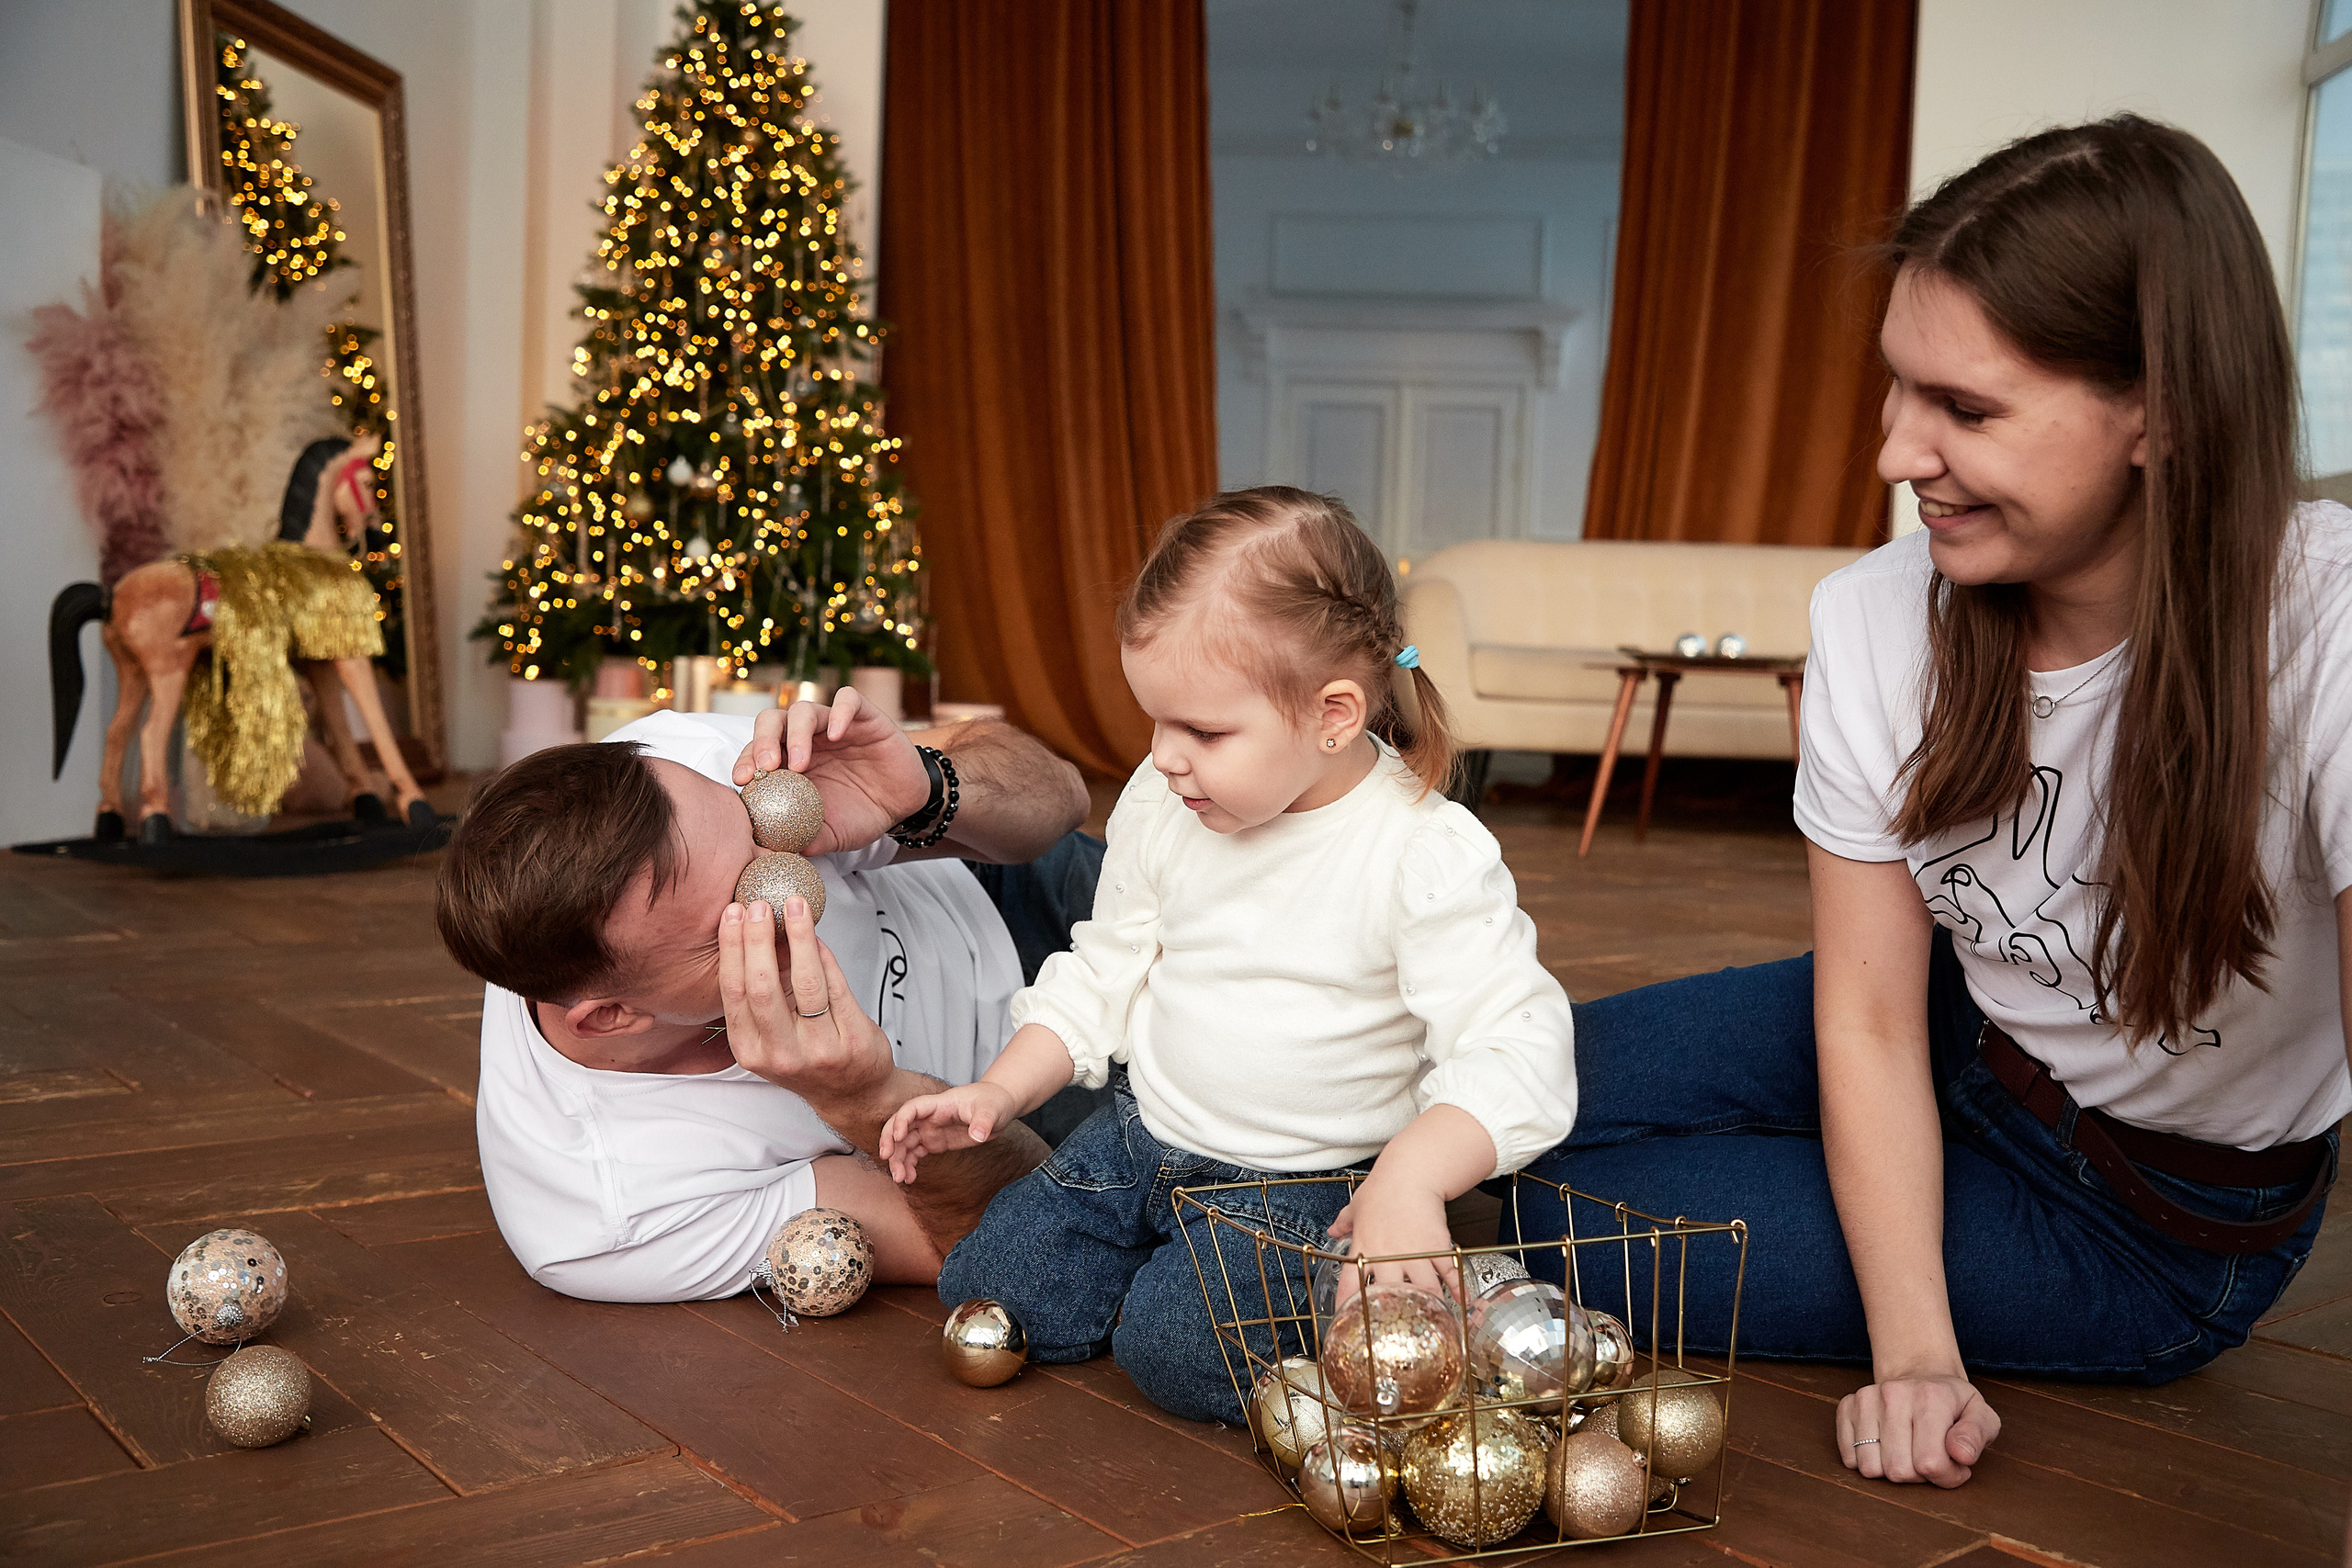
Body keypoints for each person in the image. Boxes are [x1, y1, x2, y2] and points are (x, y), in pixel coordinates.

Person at [1509, 114, 2349, 1491]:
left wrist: (1923, 1362)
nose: (1896, 453)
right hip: (1951, 1033)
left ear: (2164, 411)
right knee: (1503, 1085)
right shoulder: (1879, 612)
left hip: (2150, 1223)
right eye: (1898, 389)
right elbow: (1869, 1010)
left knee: (1550, 1215)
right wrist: (1912, 1343)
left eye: (1965, 409)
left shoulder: (2328, 621)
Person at [880, 488, 1577, 1423]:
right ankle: (1177, 1266)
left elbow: (1517, 1046)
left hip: (1301, 1182)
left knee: (1173, 1359)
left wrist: (1410, 1179)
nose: (1164, 758)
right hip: (1141, 1138)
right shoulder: (1168, 800)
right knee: (989, 1284)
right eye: (1154, 722)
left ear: (1334, 715)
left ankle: (1376, 1273)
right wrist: (998, 1093)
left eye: (1202, 732)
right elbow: (1106, 965)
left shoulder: (1420, 852)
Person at [434, 690, 1097, 1303]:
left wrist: (927, 788)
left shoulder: (686, 767)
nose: (796, 875)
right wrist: (867, 1099)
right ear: (612, 1016)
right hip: (1022, 1103)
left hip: (1008, 885)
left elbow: (1065, 795)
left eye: (759, 827)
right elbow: (1020, 1237)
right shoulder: (607, 1214)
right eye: (747, 901)